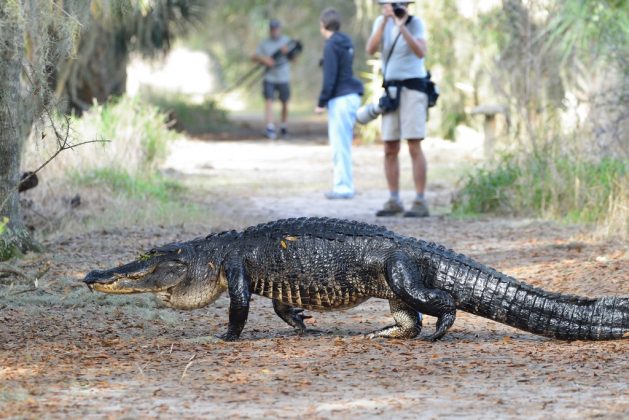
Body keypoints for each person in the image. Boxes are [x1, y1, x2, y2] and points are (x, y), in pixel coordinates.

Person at [366, 1, 430, 217]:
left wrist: (402, 26)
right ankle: (394, 199)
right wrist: (385, 22)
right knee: (389, 146)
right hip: (391, 90)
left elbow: (421, 52)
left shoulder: (415, 23)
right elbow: (370, 49)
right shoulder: (380, 22)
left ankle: (420, 201)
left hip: (413, 87)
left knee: (414, 144)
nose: (397, 7)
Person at [315, 8, 364, 200]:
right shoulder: (346, 42)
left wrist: (321, 102)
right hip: (352, 96)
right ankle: (345, 184)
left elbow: (330, 78)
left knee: (339, 144)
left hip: (340, 99)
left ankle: (343, 187)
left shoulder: (330, 45)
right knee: (344, 143)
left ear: (323, 25)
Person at [252, 19, 292, 139]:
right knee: (269, 100)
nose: (274, 31)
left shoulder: (287, 41)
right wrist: (264, 60)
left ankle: (284, 126)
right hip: (269, 77)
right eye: (272, 29)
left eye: (276, 29)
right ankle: (270, 127)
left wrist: (287, 53)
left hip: (284, 77)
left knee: (284, 102)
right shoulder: (265, 43)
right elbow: (254, 56)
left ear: (280, 29)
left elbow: (294, 58)